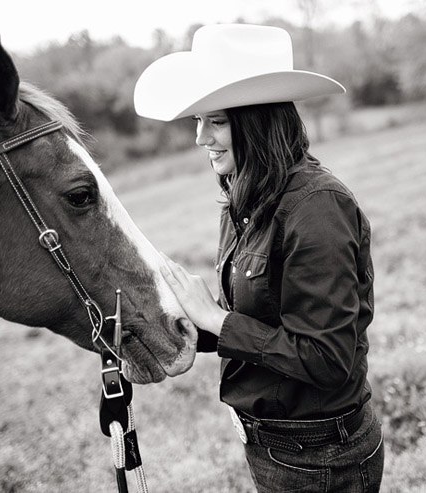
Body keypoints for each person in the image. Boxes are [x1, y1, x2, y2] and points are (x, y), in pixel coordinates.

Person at [134, 24, 383, 492]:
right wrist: (178, 324)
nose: (200, 138)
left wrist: (218, 320)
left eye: (217, 121)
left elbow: (327, 358)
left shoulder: (317, 207)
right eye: (197, 121)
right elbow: (261, 321)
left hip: (322, 458)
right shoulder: (242, 201)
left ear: (258, 121)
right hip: (272, 447)